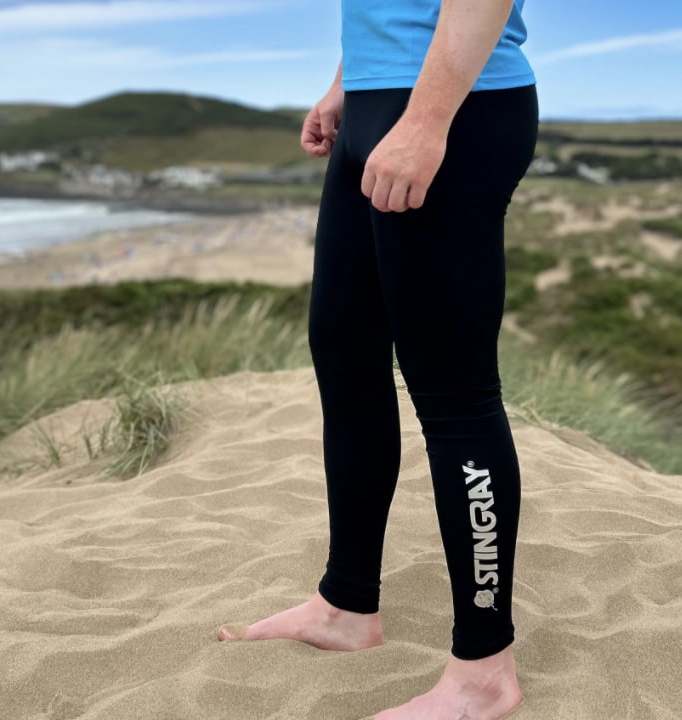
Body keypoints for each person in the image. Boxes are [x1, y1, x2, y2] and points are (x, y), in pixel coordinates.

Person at [218, 1, 536, 717]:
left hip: (454, 106)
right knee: (345, 353)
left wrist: (424, 122)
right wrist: (346, 80)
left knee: (455, 394)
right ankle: (347, 605)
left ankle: (484, 669)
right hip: (379, 98)